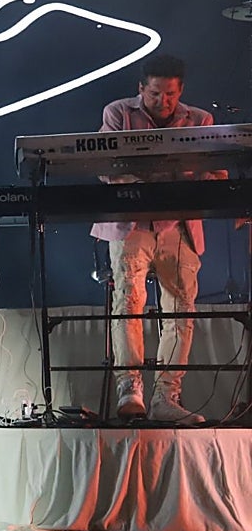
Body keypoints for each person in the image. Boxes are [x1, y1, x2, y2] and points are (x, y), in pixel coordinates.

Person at [90, 53, 228, 425]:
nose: (162, 101)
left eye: (169, 94)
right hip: (131, 222)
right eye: (154, 94)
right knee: (128, 300)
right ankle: (129, 388)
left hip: (178, 226)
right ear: (141, 88)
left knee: (181, 307)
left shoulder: (200, 120)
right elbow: (106, 169)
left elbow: (215, 171)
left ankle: (166, 396)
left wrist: (218, 185)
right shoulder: (118, 113)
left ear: (180, 91)